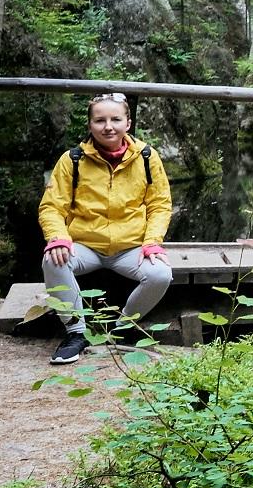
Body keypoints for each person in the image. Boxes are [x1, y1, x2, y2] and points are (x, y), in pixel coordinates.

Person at [39, 91, 173, 365]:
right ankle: (76, 333)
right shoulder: (72, 160)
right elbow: (52, 207)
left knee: (161, 274)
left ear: (128, 123)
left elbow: (159, 205)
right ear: (90, 125)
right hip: (86, 244)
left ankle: (123, 329)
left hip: (131, 246)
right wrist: (58, 238)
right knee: (52, 261)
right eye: (100, 120)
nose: (108, 126)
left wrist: (152, 242)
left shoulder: (147, 157)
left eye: (115, 119)